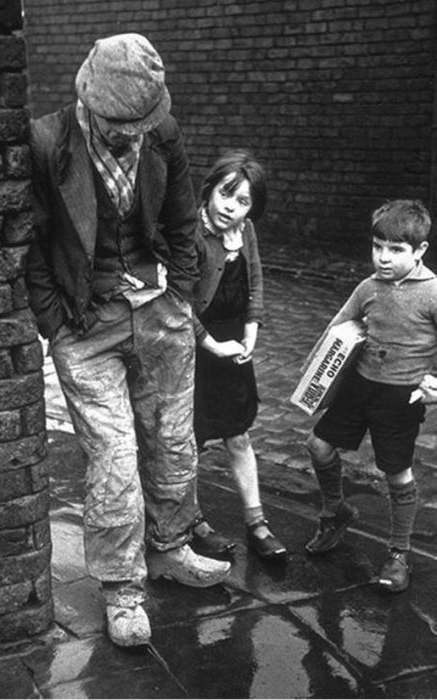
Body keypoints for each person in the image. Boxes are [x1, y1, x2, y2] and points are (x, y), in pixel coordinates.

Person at [26, 33, 230, 649]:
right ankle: (122, 590)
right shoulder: (46, 142)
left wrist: (184, 297)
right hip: (86, 324)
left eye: (142, 122)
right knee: (114, 460)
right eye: (119, 124)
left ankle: (169, 548)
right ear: (87, 99)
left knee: (173, 443)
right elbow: (30, 240)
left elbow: (181, 221)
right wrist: (54, 320)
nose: (131, 134)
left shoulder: (162, 134)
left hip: (159, 309)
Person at [304, 199, 437, 593]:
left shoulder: (432, 293)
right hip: (358, 386)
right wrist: (319, 366)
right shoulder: (368, 287)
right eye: (377, 246)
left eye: (396, 250)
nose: (383, 257)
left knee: (396, 472)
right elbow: (337, 327)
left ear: (420, 251)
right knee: (318, 446)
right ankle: (335, 511)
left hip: (400, 396)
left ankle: (398, 554)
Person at [190, 150, 287, 561]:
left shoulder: (245, 231)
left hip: (232, 343)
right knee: (186, 441)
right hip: (191, 346)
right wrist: (209, 343)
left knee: (239, 434)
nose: (231, 207)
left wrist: (250, 333)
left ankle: (257, 522)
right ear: (210, 188)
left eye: (244, 200)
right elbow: (176, 303)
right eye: (227, 194)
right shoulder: (189, 232)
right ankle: (191, 523)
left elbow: (256, 280)